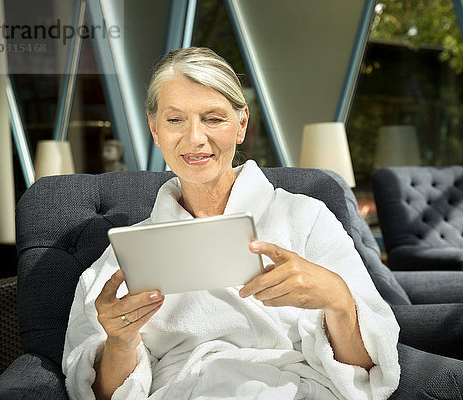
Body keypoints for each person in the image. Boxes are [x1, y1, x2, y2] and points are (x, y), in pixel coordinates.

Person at [62, 47, 400, 400]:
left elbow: (366, 373)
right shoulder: (124, 256)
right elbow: (100, 394)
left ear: (241, 125)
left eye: (213, 118)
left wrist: (338, 300)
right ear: (155, 128)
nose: (195, 138)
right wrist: (119, 342)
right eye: (175, 120)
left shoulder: (307, 219)